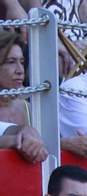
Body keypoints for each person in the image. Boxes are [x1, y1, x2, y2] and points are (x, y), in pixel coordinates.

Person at [0, 30, 65, 163]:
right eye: (11, 62)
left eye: (22, 62)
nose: (20, 70)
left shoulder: (31, 108)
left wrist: (67, 143)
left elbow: (44, 146)